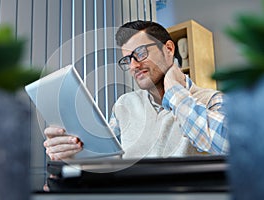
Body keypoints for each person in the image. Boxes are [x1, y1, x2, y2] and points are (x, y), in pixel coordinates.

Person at [43, 20, 229, 160]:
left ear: (169, 49)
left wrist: (174, 92)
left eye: (140, 53)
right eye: (127, 60)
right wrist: (73, 152)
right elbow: (109, 163)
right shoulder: (124, 105)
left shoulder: (212, 100)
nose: (133, 65)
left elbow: (229, 146)